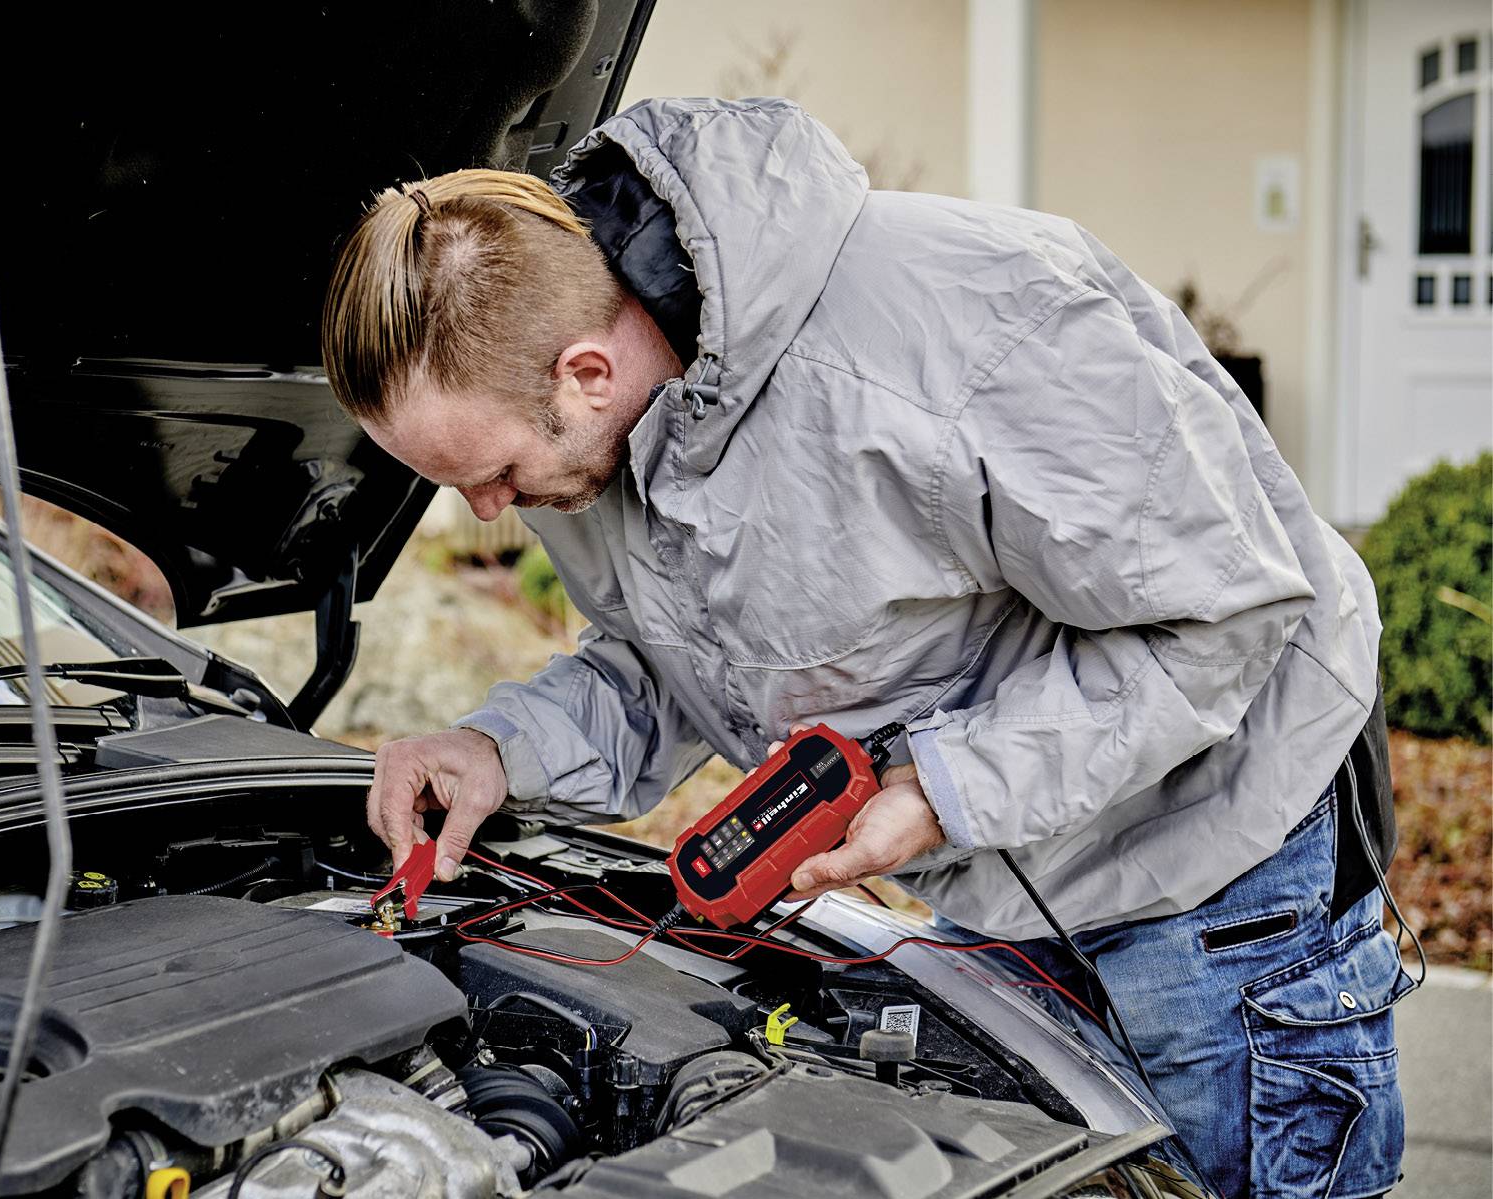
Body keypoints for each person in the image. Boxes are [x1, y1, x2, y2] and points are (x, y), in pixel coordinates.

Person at [320, 98, 1410, 1197]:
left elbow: (1221, 613)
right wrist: (498, 749)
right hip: (1002, 889)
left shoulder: (970, 329)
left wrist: (941, 788)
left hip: (1215, 869)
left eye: (490, 473)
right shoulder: (601, 431)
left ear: (586, 372)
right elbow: (665, 661)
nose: (488, 511)